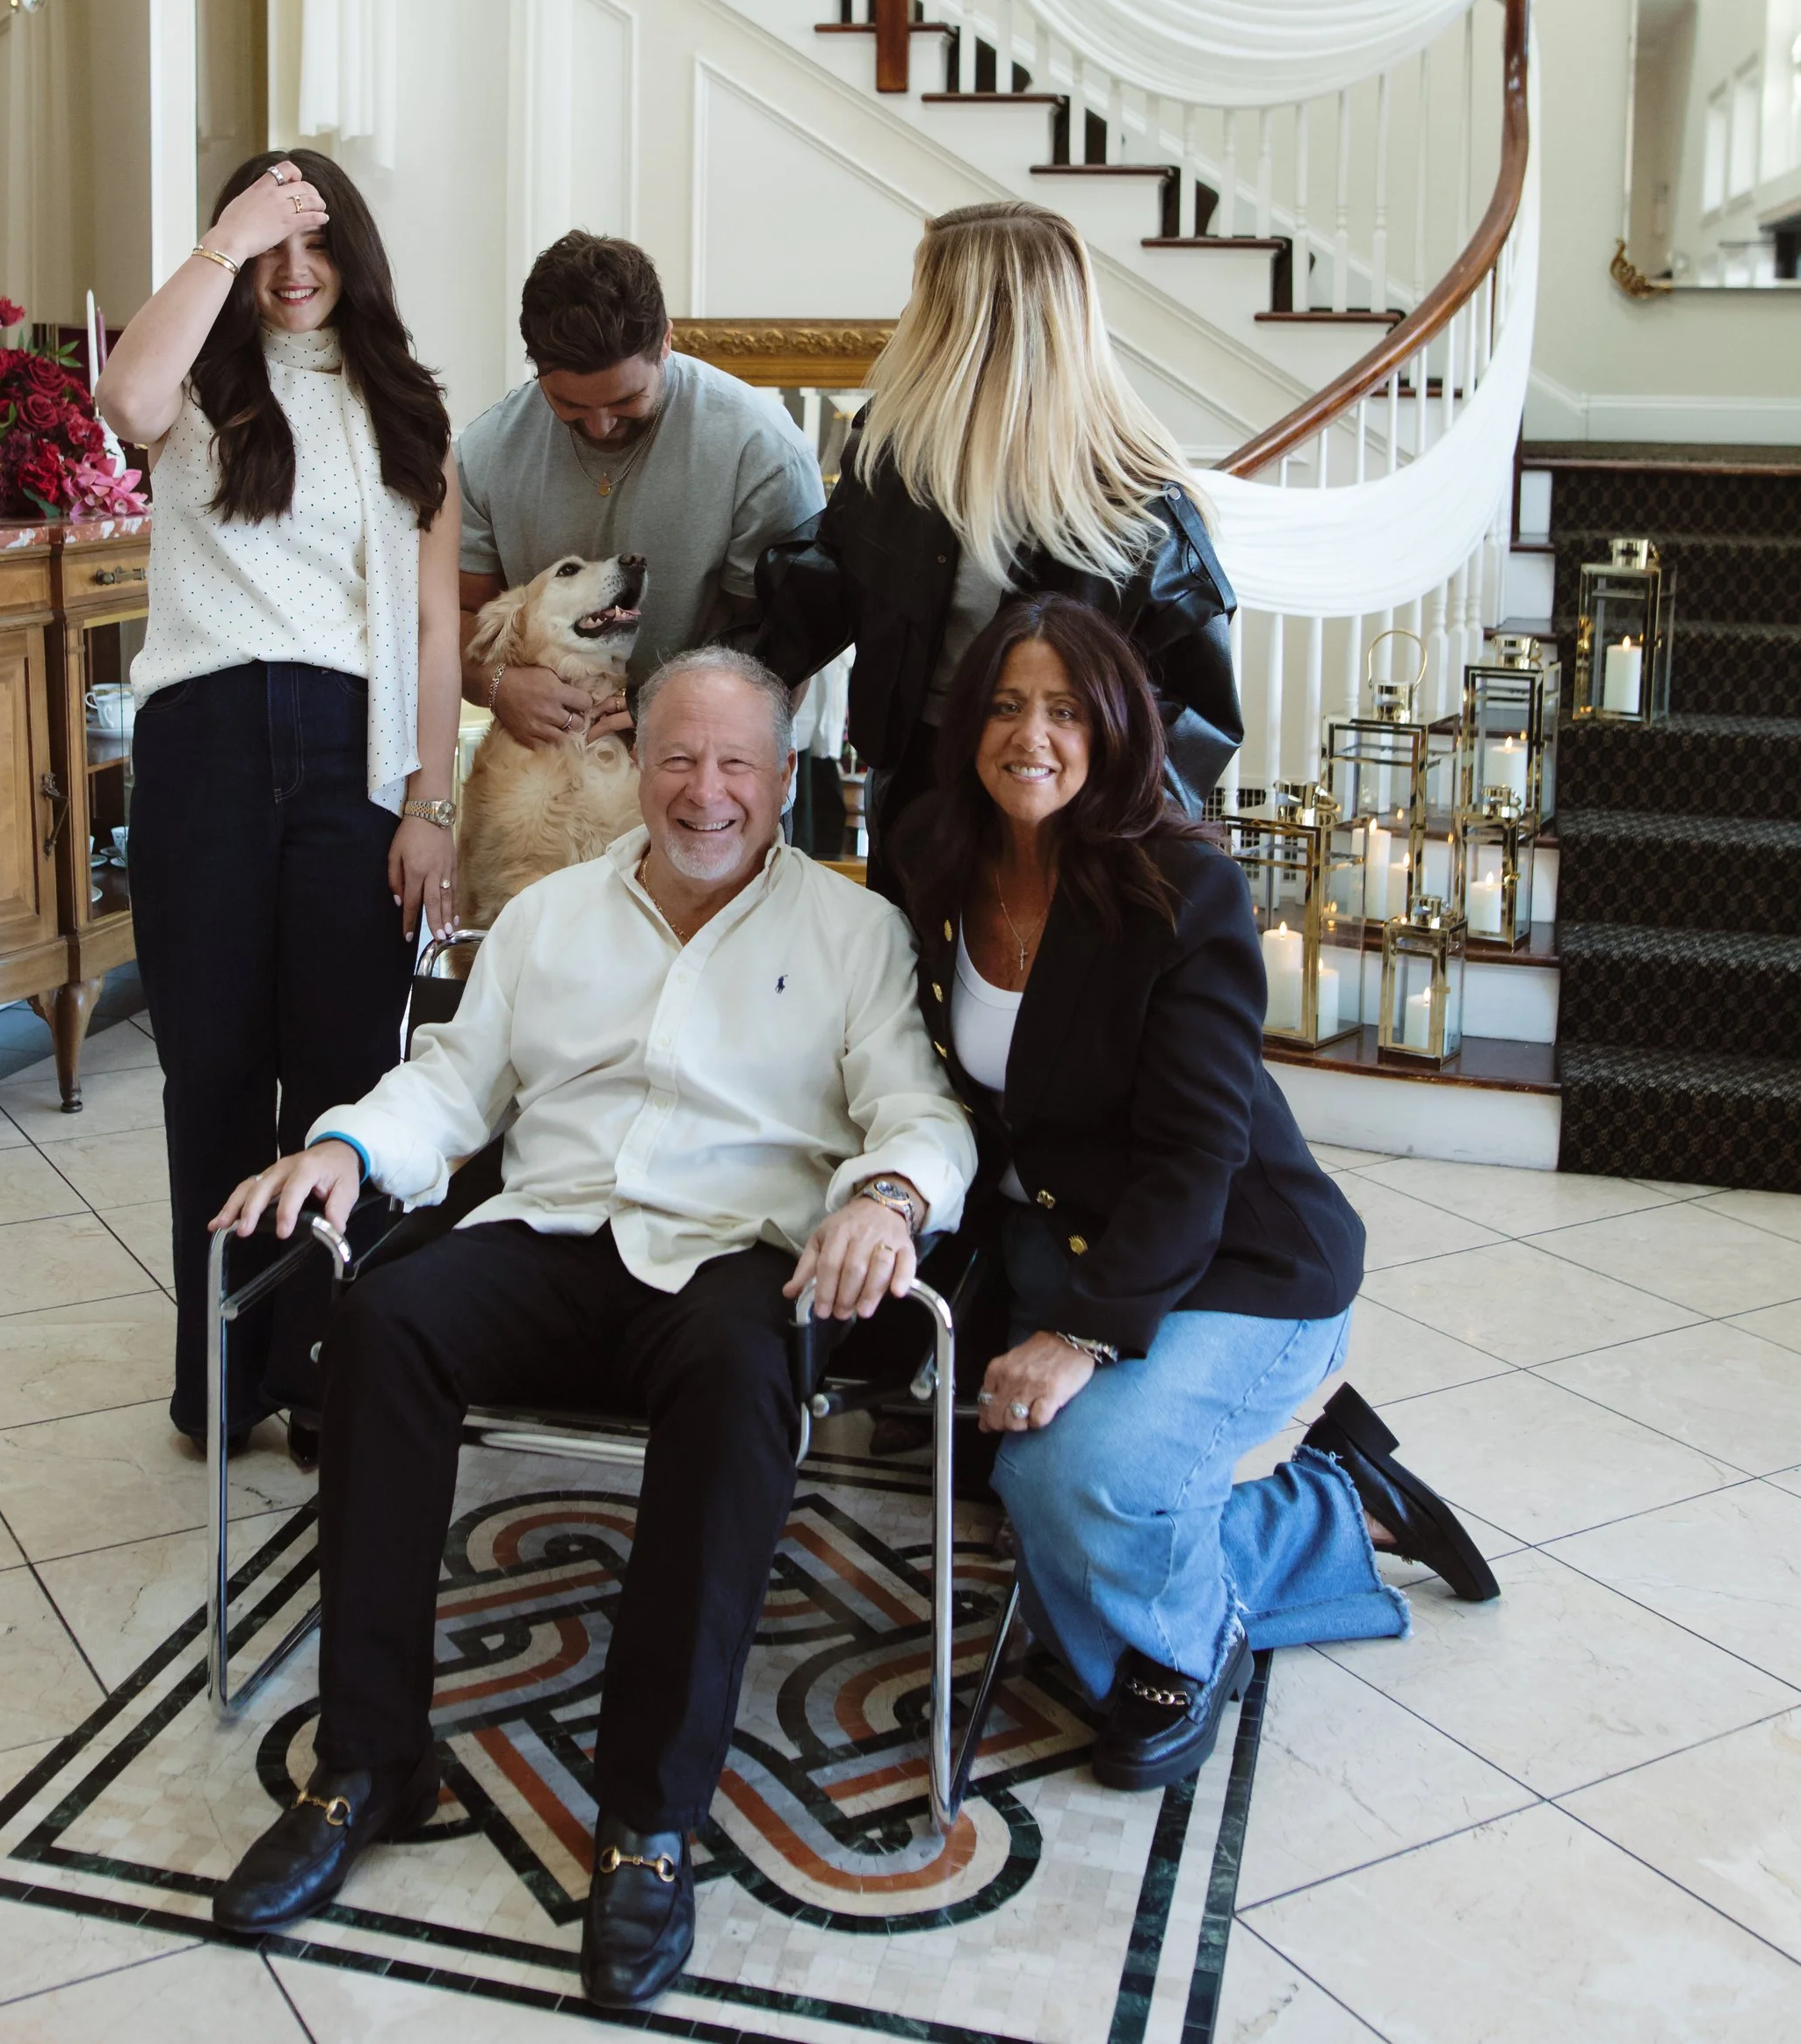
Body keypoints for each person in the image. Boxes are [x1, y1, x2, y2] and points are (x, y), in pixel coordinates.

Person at [203, 648, 976, 2004]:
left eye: (739, 761)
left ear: (785, 778)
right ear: (635, 765)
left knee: (742, 1374)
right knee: (385, 1320)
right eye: (677, 756)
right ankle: (368, 1761)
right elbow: (451, 1083)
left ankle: (650, 1820)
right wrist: (344, 1147)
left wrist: (892, 1197)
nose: (706, 789)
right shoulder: (553, 917)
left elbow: (918, 1109)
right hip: (555, 1228)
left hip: (738, 1253)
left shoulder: (854, 934)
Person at [895, 595, 1497, 1792]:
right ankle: (1341, 1502)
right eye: (1009, 705)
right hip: (1056, 1239)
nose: (1034, 735)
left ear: (1115, 727)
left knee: (1072, 1477)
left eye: (1066, 710)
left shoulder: (1183, 891)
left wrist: (1078, 1333)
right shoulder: (931, 858)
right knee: (1034, 1483)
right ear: (970, 722)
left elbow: (1198, 1157)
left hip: (1241, 1255)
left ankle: (1189, 1640)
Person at [98, 150, 461, 1458]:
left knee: (343, 1074)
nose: (294, 272)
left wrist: (434, 800)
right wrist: (223, 235)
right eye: (270, 248)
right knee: (212, 1072)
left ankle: (323, 1373)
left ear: (353, 259)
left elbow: (429, 621)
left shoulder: (409, 407)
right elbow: (122, 393)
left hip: (353, 751)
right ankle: (221, 1375)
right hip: (205, 737)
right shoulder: (201, 380)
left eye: (315, 245)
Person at [749, 202, 1241, 884]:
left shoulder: (1139, 502)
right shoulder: (896, 451)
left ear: (961, 316)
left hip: (1069, 820)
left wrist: (1107, 829)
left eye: (923, 295)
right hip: (922, 797)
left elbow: (1196, 720)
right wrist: (682, 693)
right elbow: (818, 596)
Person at [457, 232, 822, 754]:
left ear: (666, 341)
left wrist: (660, 711)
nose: (601, 426)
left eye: (626, 400)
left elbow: (778, 648)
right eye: (571, 406)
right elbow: (455, 619)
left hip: (708, 765)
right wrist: (498, 686)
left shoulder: (759, 452)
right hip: (552, 764)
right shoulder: (486, 451)